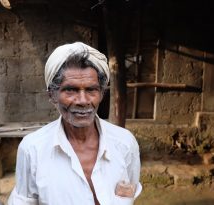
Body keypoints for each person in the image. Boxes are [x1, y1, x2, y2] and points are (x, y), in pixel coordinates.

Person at [8, 42, 142, 205]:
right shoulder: (33, 149)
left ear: (101, 94)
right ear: (52, 95)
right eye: (70, 90)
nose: (83, 101)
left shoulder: (125, 143)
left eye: (91, 90)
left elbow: (129, 191)